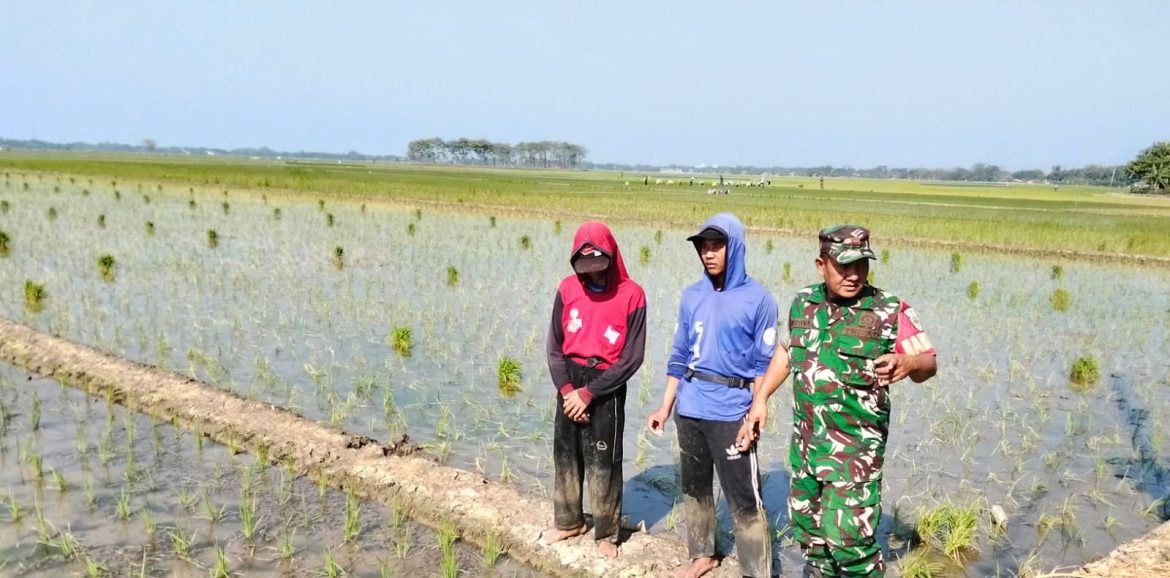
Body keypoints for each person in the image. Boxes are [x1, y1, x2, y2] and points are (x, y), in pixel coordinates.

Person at [787, 225, 938, 577]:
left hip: (855, 454)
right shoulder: (803, 303)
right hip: (806, 447)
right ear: (821, 265)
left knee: (849, 541)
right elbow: (788, 353)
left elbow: (929, 362)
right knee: (808, 530)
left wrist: (909, 362)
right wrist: (760, 399)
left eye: (862, 265)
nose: (854, 275)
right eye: (844, 266)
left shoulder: (888, 310)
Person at [647, 212, 790, 578]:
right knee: (695, 488)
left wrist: (755, 410)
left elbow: (763, 364)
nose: (708, 254)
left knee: (744, 498)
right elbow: (680, 353)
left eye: (717, 246)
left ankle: (756, 571)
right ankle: (702, 555)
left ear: (736, 247)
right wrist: (666, 405)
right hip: (690, 407)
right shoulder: (692, 295)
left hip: (732, 411)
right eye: (703, 247)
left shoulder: (759, 300)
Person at [543, 221, 647, 558]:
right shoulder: (567, 289)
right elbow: (554, 348)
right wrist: (568, 389)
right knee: (565, 454)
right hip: (569, 381)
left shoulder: (633, 295)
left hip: (608, 383)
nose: (593, 276)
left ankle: (606, 532)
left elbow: (632, 357)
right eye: (585, 270)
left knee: (604, 459)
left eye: (599, 269)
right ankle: (569, 520)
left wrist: (589, 394)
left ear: (612, 257)